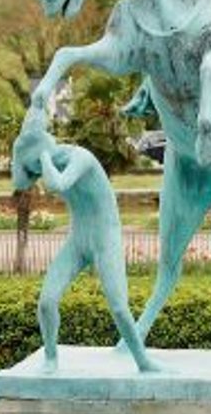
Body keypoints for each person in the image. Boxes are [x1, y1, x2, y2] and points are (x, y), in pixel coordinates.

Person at [12, 114, 159, 374]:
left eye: (34, 165)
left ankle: (144, 363)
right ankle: (51, 358)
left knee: (119, 308)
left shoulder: (81, 158)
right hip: (78, 239)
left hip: (105, 238)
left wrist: (43, 157)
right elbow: (20, 182)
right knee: (46, 302)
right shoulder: (48, 161)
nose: (34, 173)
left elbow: (57, 184)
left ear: (45, 153)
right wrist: (22, 153)